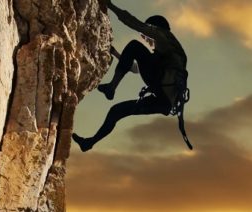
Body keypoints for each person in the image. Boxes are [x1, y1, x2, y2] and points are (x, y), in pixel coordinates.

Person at [72, 0, 190, 152]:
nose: (146, 39)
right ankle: (89, 143)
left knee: (134, 46)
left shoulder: (162, 36)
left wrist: (110, 5)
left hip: (161, 92)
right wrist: (115, 53)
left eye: (146, 36)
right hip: (164, 102)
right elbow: (136, 69)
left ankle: (112, 87)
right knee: (116, 111)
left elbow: (134, 23)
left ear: (154, 29)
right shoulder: (172, 54)